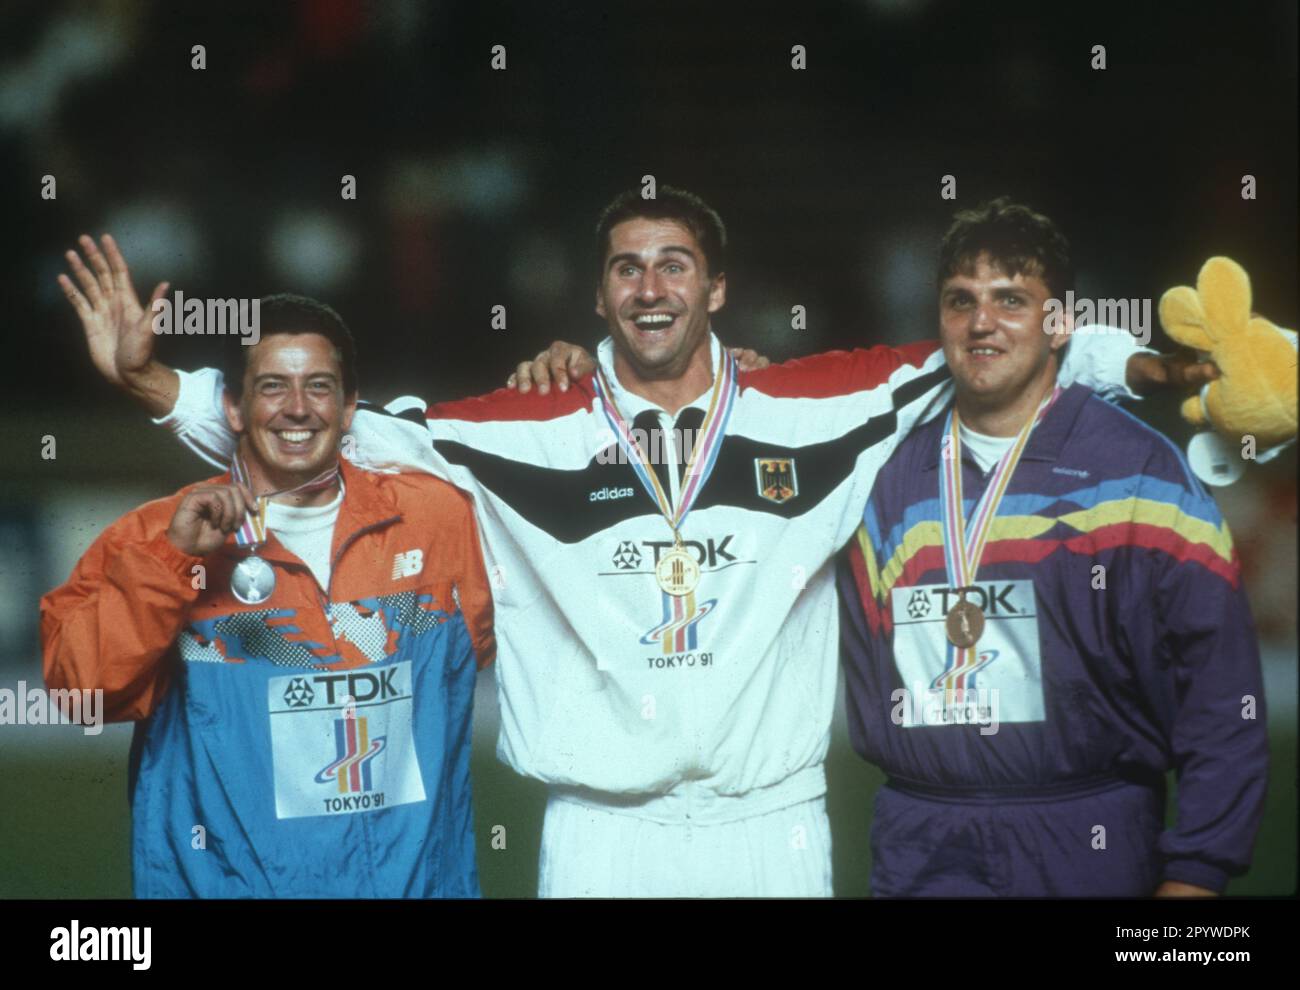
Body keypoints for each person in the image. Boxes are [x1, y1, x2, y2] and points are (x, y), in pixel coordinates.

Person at [68, 189, 1201, 897]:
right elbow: (313, 421)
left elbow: (986, 350)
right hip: (599, 840)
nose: (649, 283)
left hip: (772, 831)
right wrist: (152, 377)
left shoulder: (817, 406)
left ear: (715, 287)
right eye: (625, 265)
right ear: (600, 296)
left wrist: (1150, 368)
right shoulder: (519, 429)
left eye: (672, 264)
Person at [836, 198, 1269, 896]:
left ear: (1062, 322)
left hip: (1089, 838)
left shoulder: (1141, 473)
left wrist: (1198, 871)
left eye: (1011, 300)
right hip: (919, 841)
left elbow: (1221, 694)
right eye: (960, 301)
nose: (982, 323)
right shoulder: (875, 472)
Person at [42, 283, 495, 897]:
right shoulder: (154, 536)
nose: (298, 408)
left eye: (319, 385)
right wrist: (173, 562)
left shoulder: (439, 521)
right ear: (232, 408)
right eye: (273, 385)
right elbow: (83, 692)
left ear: (351, 405)